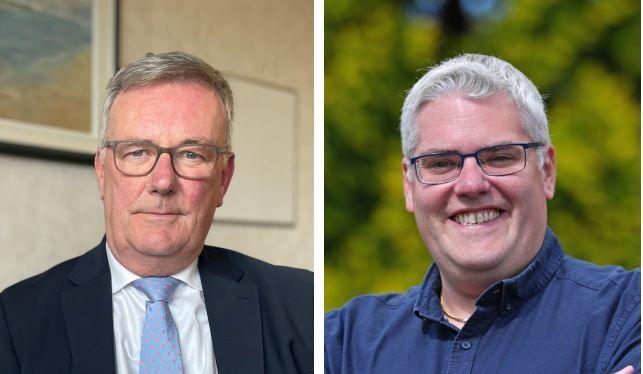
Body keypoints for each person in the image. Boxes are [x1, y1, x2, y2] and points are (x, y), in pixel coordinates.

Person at [325, 54, 640, 373]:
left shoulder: (629, 313)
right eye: (441, 163)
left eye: (500, 157)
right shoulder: (343, 343)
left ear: (546, 171)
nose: (471, 185)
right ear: (409, 185)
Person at [0, 51, 312, 374]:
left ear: (223, 179)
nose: (163, 181)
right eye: (137, 152)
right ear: (102, 172)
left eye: (192, 154)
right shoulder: (16, 321)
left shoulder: (302, 305)